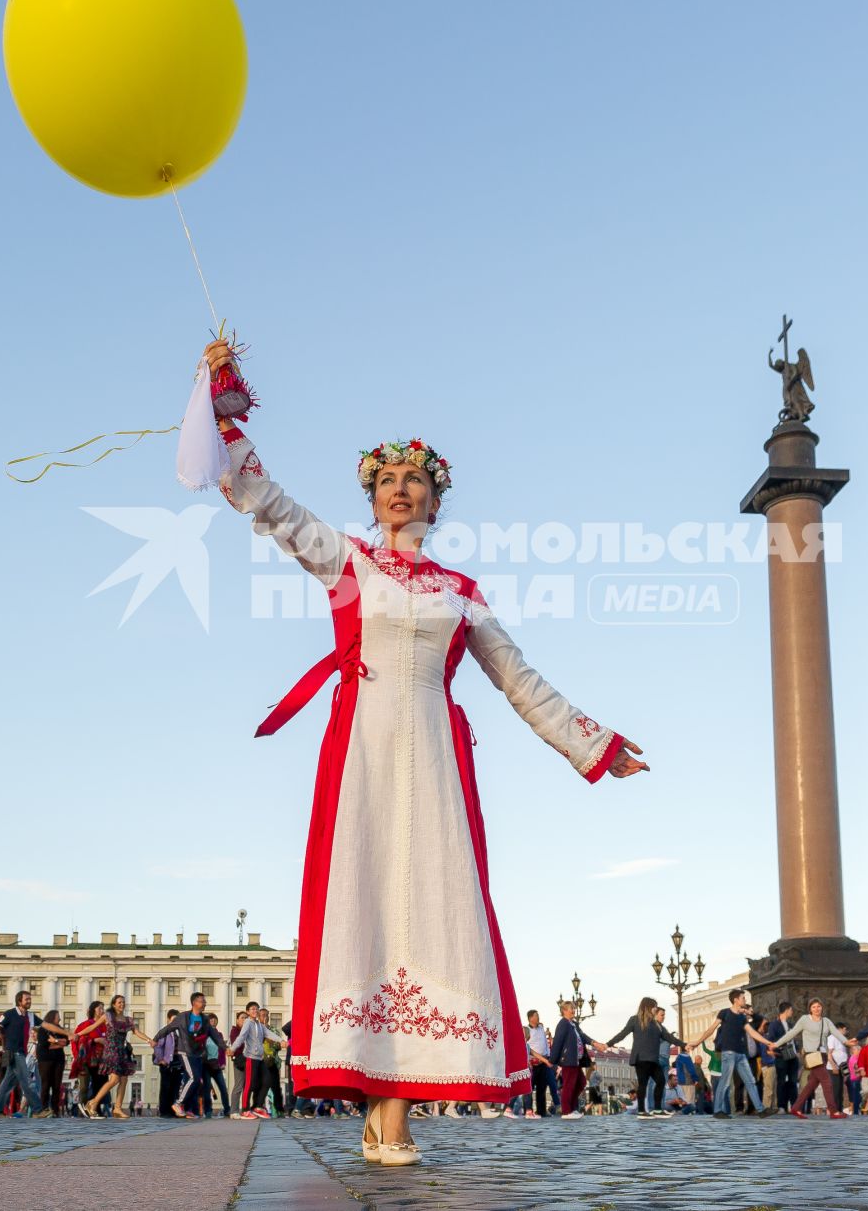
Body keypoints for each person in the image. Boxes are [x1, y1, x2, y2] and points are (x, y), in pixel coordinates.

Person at [203, 336, 647, 1168]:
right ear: (371, 497)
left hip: (437, 756)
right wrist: (222, 401)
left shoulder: (458, 591)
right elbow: (264, 501)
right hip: (365, 745)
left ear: (435, 498)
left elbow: (521, 681)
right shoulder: (350, 562)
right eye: (386, 480)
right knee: (365, 903)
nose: (400, 490)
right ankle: (382, 1104)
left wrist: (596, 744)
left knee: (436, 908)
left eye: (415, 480)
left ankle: (394, 1105)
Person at [684, 988, 776, 1119]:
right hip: (728, 1054)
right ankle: (717, 1110)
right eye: (743, 998)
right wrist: (698, 1042)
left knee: (750, 1081)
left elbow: (752, 1032)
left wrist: (768, 1043)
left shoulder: (742, 1017)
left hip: (741, 1055)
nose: (745, 1000)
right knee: (725, 1082)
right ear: (736, 1000)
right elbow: (711, 1029)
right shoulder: (725, 1013)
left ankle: (761, 1110)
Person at [598, 998, 682, 1118]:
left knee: (661, 1081)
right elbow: (622, 1034)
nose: (655, 1009)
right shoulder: (635, 1020)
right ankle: (642, 1111)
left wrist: (684, 1045)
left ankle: (657, 1110)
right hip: (640, 1058)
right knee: (643, 1084)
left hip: (653, 1059)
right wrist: (607, 1044)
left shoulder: (656, 1024)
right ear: (648, 1007)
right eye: (654, 1007)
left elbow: (669, 1037)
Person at [772, 998, 845, 1117]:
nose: (817, 1009)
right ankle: (833, 1111)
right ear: (810, 1009)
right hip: (811, 1055)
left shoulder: (825, 1021)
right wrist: (777, 1044)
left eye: (818, 1006)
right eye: (814, 1007)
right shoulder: (805, 1020)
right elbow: (792, 1033)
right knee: (827, 1082)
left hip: (822, 1055)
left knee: (811, 1084)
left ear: (822, 1007)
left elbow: (836, 1033)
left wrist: (847, 1042)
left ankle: (796, 1107)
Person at [0, 991, 43, 1119]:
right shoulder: (9, 1015)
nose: (29, 1001)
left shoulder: (28, 1017)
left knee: (7, 1083)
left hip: (15, 1053)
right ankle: (38, 1110)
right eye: (27, 999)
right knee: (24, 1080)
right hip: (10, 1053)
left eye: (30, 999)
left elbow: (43, 1025)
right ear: (19, 1001)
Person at [87, 994, 140, 1119]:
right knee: (114, 1080)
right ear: (114, 1004)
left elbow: (137, 1031)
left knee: (124, 1079)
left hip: (122, 1051)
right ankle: (93, 1102)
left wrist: (150, 1041)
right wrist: (77, 1033)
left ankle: (117, 1108)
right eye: (119, 1002)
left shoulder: (128, 1019)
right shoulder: (108, 1016)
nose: (122, 1004)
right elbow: (92, 1027)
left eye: (123, 1002)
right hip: (112, 1050)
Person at [229, 1002, 273, 1120]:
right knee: (240, 1085)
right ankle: (235, 1110)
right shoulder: (236, 1031)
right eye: (242, 1018)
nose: (244, 1020)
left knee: (258, 1082)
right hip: (240, 1060)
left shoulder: (256, 1026)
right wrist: (232, 1049)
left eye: (245, 1018)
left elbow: (261, 1039)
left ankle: (256, 1106)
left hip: (253, 1059)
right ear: (237, 1020)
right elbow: (239, 1041)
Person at [551, 1001, 591, 1119]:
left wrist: (594, 1043)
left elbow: (582, 1037)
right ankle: (566, 1111)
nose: (573, 1010)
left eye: (574, 1008)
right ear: (564, 1011)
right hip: (568, 1060)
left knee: (581, 1082)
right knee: (569, 1085)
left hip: (576, 1060)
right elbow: (557, 1042)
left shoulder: (573, 1024)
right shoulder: (563, 1024)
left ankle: (572, 1108)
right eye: (570, 1008)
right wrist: (553, 1060)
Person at [759, 1001, 799, 1115]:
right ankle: (781, 1106)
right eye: (791, 1010)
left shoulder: (791, 1025)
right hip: (782, 1055)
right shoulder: (774, 1025)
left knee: (792, 1081)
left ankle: (794, 1105)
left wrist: (797, 1049)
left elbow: (794, 1039)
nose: (792, 1012)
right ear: (786, 1010)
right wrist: (776, 1051)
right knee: (781, 1081)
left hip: (792, 1055)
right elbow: (771, 1040)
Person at [522, 1010, 555, 1118]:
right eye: (536, 1015)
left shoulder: (540, 1028)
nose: (538, 1017)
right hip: (532, 1063)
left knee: (542, 1088)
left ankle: (541, 1111)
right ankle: (528, 1110)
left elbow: (543, 1040)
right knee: (529, 1088)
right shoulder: (527, 1030)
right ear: (530, 1018)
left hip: (543, 1062)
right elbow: (528, 1048)